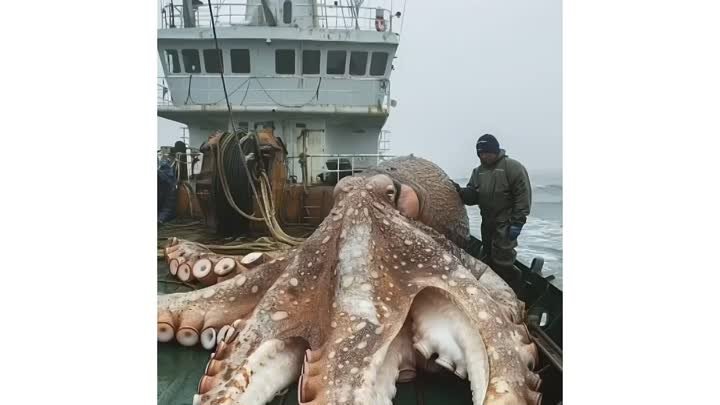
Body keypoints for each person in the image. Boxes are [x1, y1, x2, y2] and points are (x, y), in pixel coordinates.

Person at [453, 134, 532, 281]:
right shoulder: (478, 172)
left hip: (506, 222)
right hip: (487, 221)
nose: (485, 157)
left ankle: (514, 286)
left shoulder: (512, 167)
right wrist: (461, 191)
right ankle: (494, 286)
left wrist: (518, 222)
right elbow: (473, 196)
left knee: (503, 259)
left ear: (495, 151)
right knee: (488, 255)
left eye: (488, 153)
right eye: (481, 154)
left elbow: (523, 195)